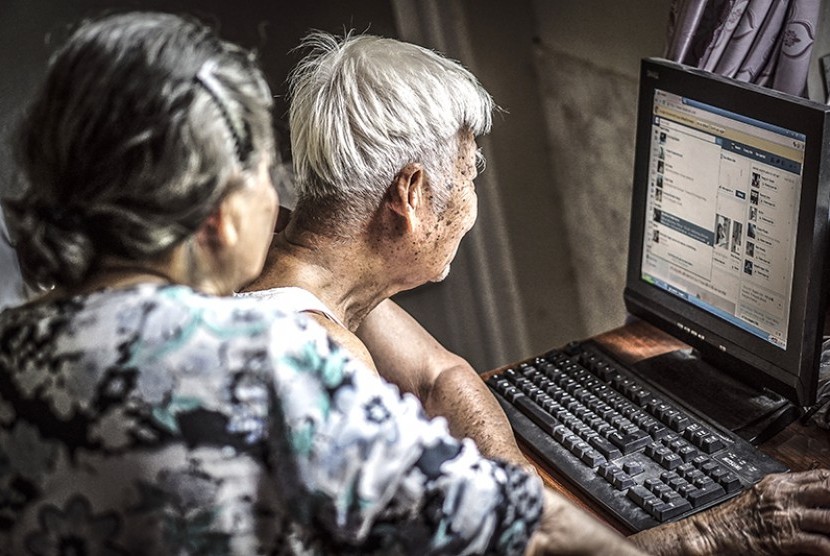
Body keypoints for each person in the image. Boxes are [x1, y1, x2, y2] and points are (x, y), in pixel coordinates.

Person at [0, 11, 646, 556]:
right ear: (212, 214)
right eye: (258, 167)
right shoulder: (265, 359)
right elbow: (527, 533)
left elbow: (435, 376)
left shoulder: (19, 342)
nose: (275, 196)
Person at [243, 31, 830, 555]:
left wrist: (520, 501)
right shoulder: (324, 368)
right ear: (412, 195)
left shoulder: (295, 263)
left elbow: (437, 376)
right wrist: (714, 532)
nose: (472, 196)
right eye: (470, 170)